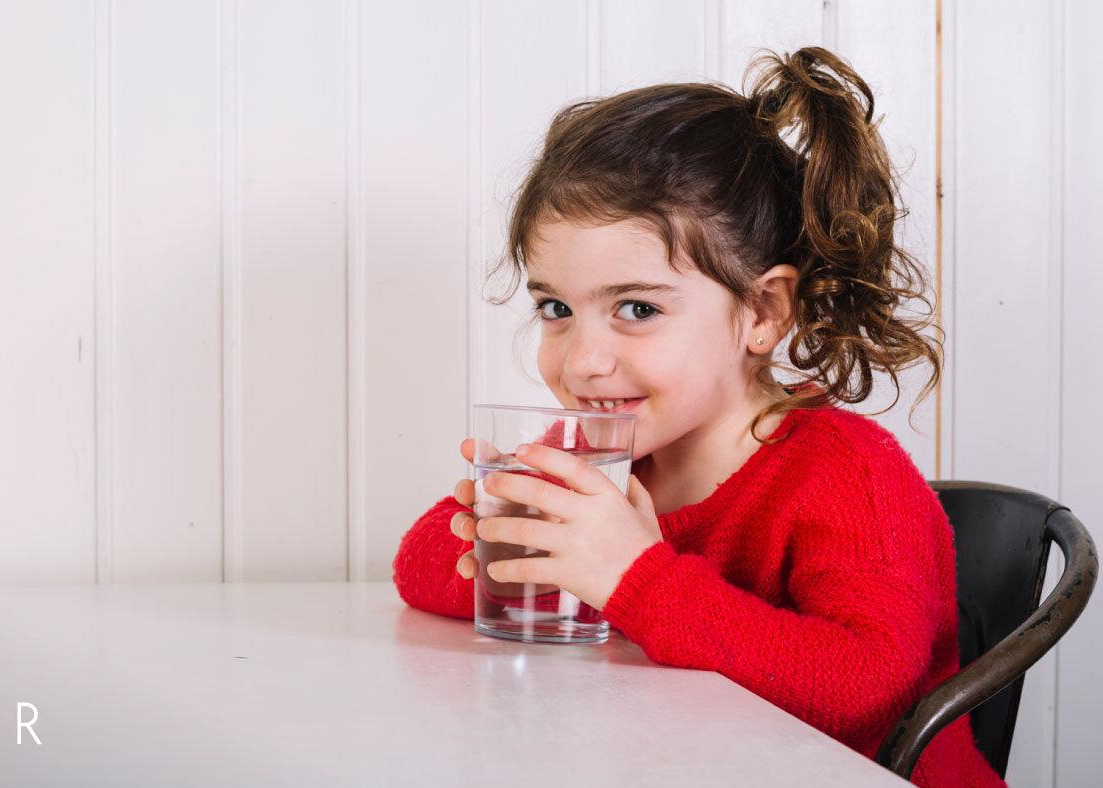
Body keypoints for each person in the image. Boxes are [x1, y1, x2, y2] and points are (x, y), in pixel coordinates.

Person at [391, 47, 1003, 787]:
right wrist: (524, 548)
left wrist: (630, 578)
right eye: (556, 308)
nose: (582, 360)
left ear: (762, 312)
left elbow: (866, 686)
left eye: (637, 309)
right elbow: (421, 564)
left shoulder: (845, 473)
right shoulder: (599, 454)